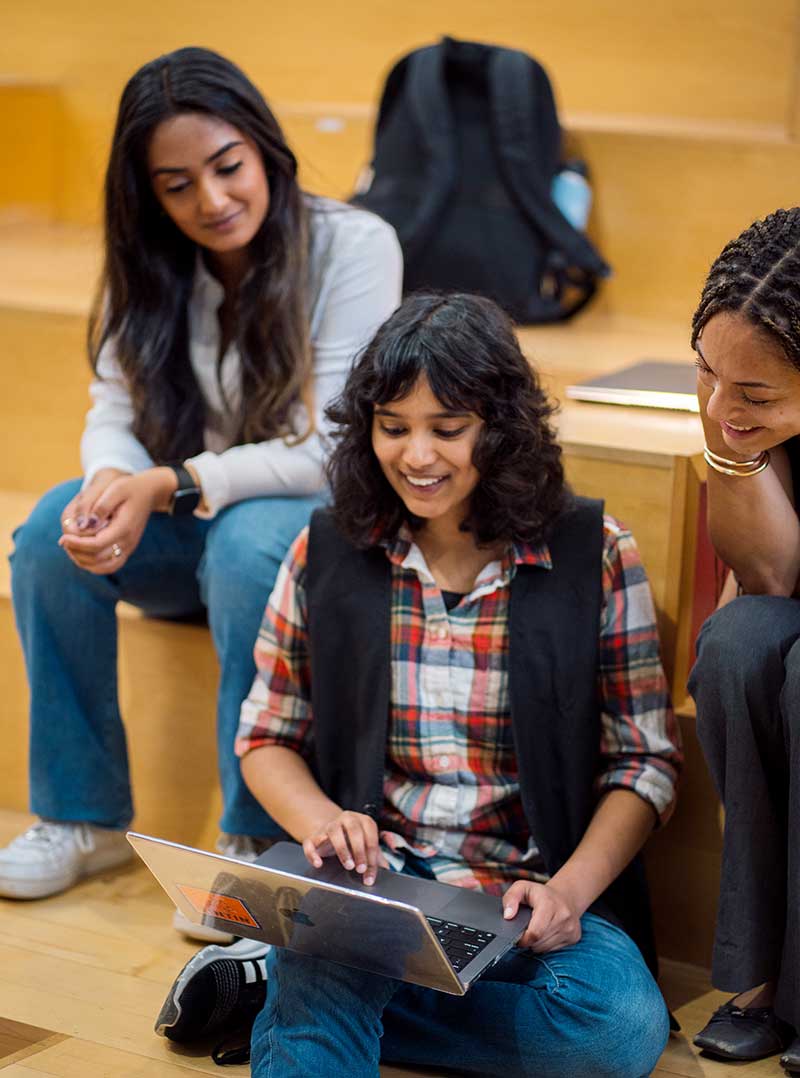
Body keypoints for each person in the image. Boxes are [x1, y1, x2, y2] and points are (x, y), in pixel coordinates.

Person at [157, 292, 682, 1076]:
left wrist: (570, 892)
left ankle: (277, 987)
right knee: (332, 959)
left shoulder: (595, 553)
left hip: (526, 895)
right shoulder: (328, 549)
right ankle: (312, 986)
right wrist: (324, 821)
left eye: (448, 429)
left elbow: (643, 763)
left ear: (501, 429)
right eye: (393, 428)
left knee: (616, 1028)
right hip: (379, 885)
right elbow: (265, 735)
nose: (417, 456)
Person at [0, 46, 402, 936]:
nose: (212, 202)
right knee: (43, 535)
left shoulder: (353, 245)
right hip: (199, 526)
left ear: (265, 150)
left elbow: (332, 448)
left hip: (309, 540)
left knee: (251, 537)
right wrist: (109, 485)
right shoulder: (149, 265)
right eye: (177, 185)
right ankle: (81, 816)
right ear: (147, 194)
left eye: (228, 168)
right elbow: (112, 405)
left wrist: (168, 483)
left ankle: (254, 843)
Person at [686, 207, 800, 1070]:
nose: (723, 405)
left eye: (754, 393)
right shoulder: (734, 413)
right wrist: (742, 447)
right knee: (735, 647)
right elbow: (766, 581)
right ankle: (766, 974)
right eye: (707, 374)